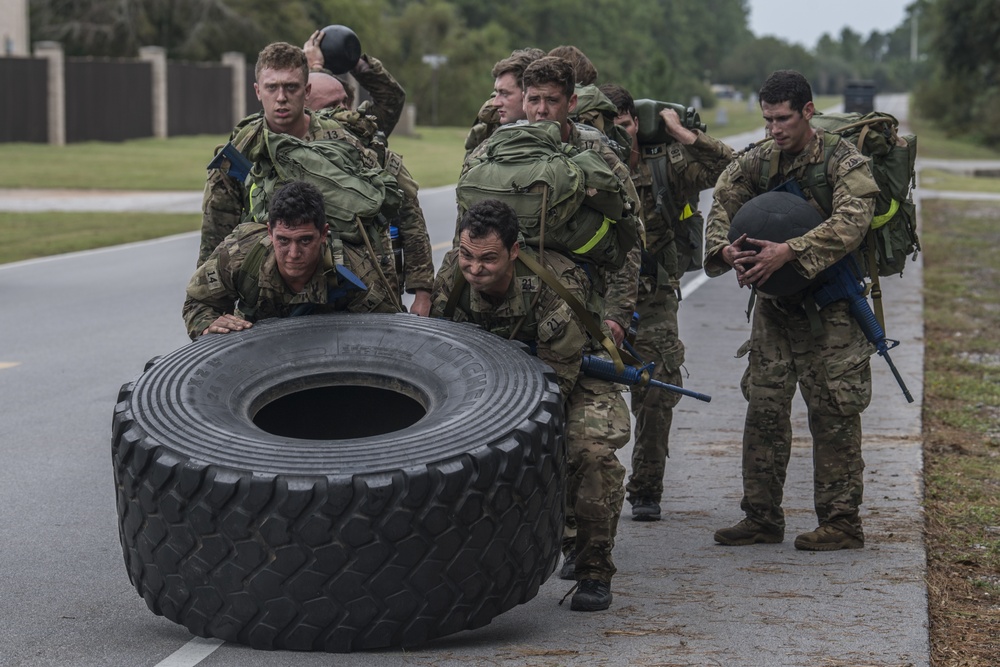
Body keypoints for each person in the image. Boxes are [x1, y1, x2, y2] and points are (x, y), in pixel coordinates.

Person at [703, 69, 880, 551]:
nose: (774, 129)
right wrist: (724, 251)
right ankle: (761, 517)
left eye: (783, 119)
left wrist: (791, 250)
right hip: (775, 308)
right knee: (763, 407)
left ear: (807, 112)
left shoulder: (845, 162)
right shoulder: (760, 160)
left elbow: (853, 220)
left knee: (834, 412)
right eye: (767, 120)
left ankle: (842, 523)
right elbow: (723, 201)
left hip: (832, 308)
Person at [431, 199, 630, 612]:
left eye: (488, 259)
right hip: (493, 383)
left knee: (587, 454)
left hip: (573, 378)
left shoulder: (554, 285)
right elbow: (440, 352)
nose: (475, 269)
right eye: (467, 255)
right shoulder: (452, 275)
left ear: (514, 252)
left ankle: (593, 567)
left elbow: (556, 383)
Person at [600, 83, 734, 521]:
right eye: (608, 128)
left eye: (623, 126)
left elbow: (732, 171)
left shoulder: (665, 165)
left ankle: (645, 489)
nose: (617, 137)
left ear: (636, 123)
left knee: (656, 392)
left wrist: (682, 133)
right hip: (596, 302)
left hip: (652, 298)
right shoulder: (587, 166)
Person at [198, 42, 403, 314]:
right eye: (272, 87)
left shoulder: (342, 140)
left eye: (291, 87)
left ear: (306, 92)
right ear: (258, 91)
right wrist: (213, 311)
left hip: (344, 289)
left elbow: (374, 221)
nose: (281, 97)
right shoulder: (241, 151)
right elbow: (216, 236)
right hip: (267, 293)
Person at [302, 33, 435, 317]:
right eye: (328, 110)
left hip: (377, 295)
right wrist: (313, 70)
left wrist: (353, 58)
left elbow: (411, 219)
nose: (340, 115)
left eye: (343, 106)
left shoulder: (368, 141)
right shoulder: (293, 148)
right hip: (311, 300)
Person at [184, 181, 399, 340]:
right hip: (255, 350)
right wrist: (208, 324)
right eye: (283, 240)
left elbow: (388, 335)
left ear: (324, 234)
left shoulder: (355, 272)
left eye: (305, 240)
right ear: (270, 232)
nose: (294, 253)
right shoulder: (240, 253)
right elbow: (197, 302)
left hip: (332, 350)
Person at [463, 48, 545, 158]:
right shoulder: (487, 132)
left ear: (529, 95)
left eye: (505, 94)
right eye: (496, 92)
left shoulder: (564, 136)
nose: (496, 103)